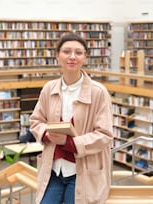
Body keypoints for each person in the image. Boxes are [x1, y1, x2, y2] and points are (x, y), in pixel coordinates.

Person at [29, 32, 113, 204]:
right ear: (57, 56)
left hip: (82, 173)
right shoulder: (49, 88)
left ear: (85, 57)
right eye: (67, 51)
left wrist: (70, 143)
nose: (72, 57)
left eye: (78, 52)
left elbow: (104, 134)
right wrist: (46, 134)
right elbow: (35, 121)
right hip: (53, 171)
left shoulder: (98, 92)